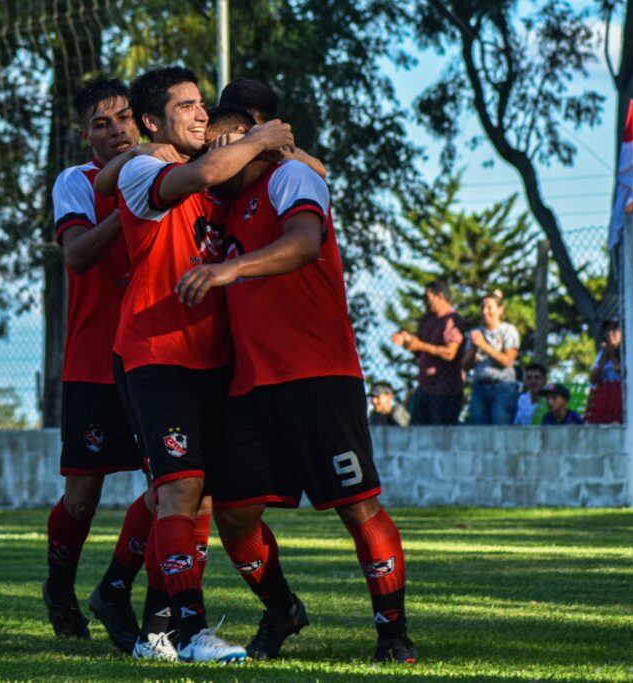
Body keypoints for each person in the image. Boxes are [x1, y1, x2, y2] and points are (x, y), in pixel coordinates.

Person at [174, 106, 417, 664]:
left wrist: (230, 269)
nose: (212, 156)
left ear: (249, 132)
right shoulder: (225, 203)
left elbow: (305, 241)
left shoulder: (290, 177)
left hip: (318, 377)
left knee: (357, 507)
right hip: (250, 385)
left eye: (218, 142)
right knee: (234, 515)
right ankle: (282, 609)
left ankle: (393, 634)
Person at [96, 66, 294, 664]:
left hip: (217, 359)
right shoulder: (142, 169)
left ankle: (133, 610)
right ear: (153, 123)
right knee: (180, 492)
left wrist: (268, 144)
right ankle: (189, 632)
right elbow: (200, 171)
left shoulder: (220, 169)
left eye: (202, 102)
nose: (201, 114)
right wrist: (260, 139)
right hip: (157, 356)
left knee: (191, 499)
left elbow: (308, 174)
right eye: (186, 106)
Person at [44, 77, 175, 655]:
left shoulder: (167, 170)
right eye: (102, 123)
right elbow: (74, 254)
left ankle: (127, 597)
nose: (116, 129)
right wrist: (133, 205)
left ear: (141, 122)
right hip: (94, 360)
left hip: (154, 354)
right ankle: (60, 587)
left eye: (124, 118)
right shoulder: (76, 182)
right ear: (85, 136)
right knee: (82, 497)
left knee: (172, 486)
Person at [391, 280, 465, 425]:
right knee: (417, 430)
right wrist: (408, 343)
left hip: (445, 390)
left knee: (440, 434)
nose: (425, 301)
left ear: (440, 297)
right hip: (425, 387)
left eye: (428, 297)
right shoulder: (427, 320)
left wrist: (420, 345)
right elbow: (421, 351)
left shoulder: (452, 320)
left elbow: (450, 353)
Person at [461, 290, 520, 425]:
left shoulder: (508, 330)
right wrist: (475, 348)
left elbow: (507, 360)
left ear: (500, 309)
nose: (484, 312)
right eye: (482, 307)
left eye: (489, 307)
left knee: (500, 429)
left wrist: (484, 346)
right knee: (479, 432)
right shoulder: (476, 333)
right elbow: (464, 365)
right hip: (480, 388)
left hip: (503, 387)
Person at [585, 318, 623, 424]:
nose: (610, 334)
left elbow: (623, 374)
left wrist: (612, 356)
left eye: (614, 330)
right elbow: (592, 378)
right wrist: (604, 358)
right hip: (605, 395)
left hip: (620, 395)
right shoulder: (602, 354)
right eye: (608, 330)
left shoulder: (626, 352)